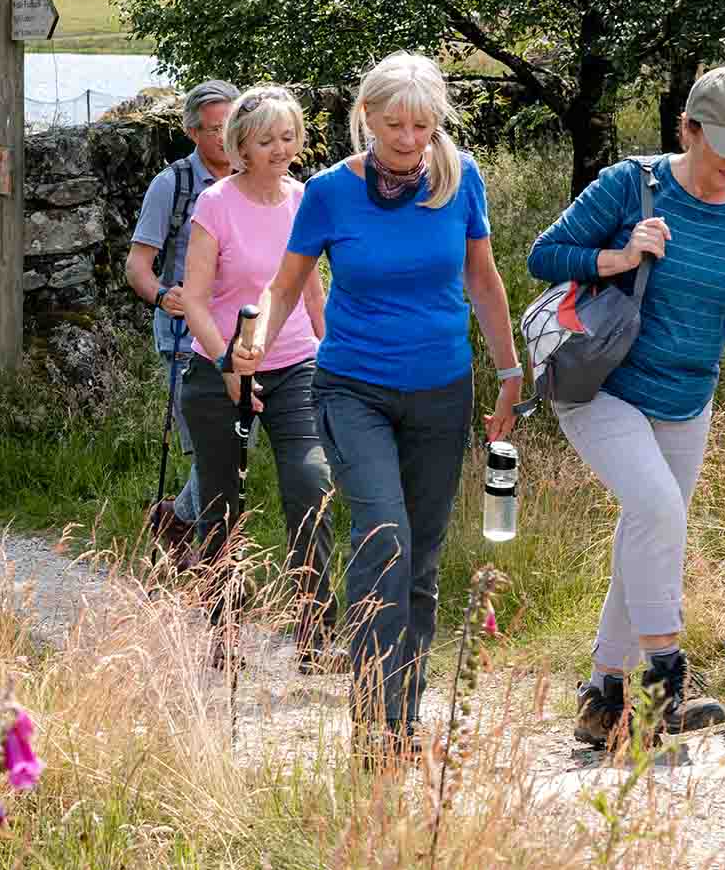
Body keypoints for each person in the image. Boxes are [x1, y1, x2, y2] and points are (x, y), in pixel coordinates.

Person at [528, 65, 725, 748]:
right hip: (602, 383)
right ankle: (667, 687)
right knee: (658, 513)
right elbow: (544, 255)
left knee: (648, 529)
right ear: (688, 130)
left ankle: (601, 700)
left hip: (687, 397)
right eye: (722, 150)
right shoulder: (631, 183)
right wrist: (619, 256)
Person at [240, 52, 522, 759]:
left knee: (421, 562)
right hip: (351, 388)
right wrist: (251, 346)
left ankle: (403, 716)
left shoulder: (461, 180)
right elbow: (285, 285)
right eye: (394, 124)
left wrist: (510, 371)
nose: (407, 139)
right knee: (383, 538)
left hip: (441, 391)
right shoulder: (331, 193)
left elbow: (484, 283)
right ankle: (372, 723)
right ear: (364, 117)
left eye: (422, 126)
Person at [177, 84, 335, 671]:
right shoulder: (215, 204)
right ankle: (225, 635)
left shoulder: (304, 200)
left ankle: (317, 634)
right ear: (239, 145)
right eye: (266, 139)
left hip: (295, 365)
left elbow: (310, 286)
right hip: (218, 367)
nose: (280, 148)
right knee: (222, 503)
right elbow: (193, 300)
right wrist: (228, 365)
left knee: (310, 482)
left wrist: (329, 348)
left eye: (289, 136)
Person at [126, 80, 240, 558]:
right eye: (215, 129)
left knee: (233, 447)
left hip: (244, 334)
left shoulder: (258, 180)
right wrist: (163, 296)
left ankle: (177, 519)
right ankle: (206, 551)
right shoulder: (172, 184)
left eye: (232, 126)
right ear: (193, 133)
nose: (225, 137)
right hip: (183, 337)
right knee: (213, 449)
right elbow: (137, 265)